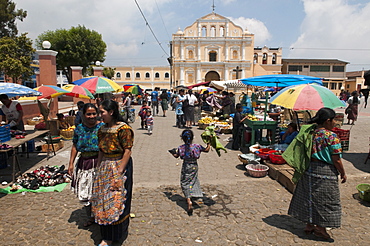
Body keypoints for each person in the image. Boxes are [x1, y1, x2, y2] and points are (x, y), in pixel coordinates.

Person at [287, 107, 346, 240]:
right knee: (326, 201)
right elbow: (336, 159)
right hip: (326, 172)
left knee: (308, 197)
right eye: (334, 120)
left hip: (309, 169)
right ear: (327, 121)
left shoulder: (309, 132)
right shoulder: (331, 136)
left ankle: (309, 224)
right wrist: (343, 173)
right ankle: (320, 228)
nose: (335, 123)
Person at [91, 99, 134, 246]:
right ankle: (106, 235)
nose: (99, 115)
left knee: (117, 198)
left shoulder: (124, 129)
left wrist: (119, 172)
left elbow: (127, 151)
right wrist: (98, 169)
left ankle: (115, 235)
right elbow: (101, 151)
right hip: (105, 167)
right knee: (103, 199)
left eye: (102, 112)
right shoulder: (101, 129)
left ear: (111, 112)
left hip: (120, 165)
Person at [68, 103, 104, 227]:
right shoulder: (79, 129)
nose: (91, 116)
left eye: (94, 113)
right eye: (88, 114)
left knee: (98, 190)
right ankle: (91, 216)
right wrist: (71, 164)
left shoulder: (102, 128)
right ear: (83, 115)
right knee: (86, 190)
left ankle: (100, 215)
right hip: (84, 163)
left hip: (99, 163)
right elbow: (74, 146)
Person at [170, 130, 210, 215]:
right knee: (193, 180)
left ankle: (189, 200)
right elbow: (206, 150)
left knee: (184, 182)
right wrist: (209, 143)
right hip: (194, 166)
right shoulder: (197, 146)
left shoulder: (181, 148)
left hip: (186, 166)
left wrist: (172, 153)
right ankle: (194, 194)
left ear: (182, 139)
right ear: (192, 138)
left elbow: (177, 156)